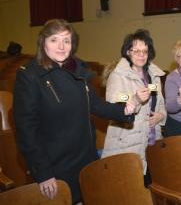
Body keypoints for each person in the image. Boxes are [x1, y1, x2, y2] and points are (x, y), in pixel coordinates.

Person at [13, 19, 136, 204]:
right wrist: (43, 173)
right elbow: (26, 132)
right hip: (56, 165)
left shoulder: (78, 69)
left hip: (85, 157)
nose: (61, 46)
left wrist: (124, 110)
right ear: (43, 42)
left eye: (67, 40)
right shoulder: (29, 76)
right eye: (54, 40)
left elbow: (95, 104)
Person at [101, 29, 166, 185]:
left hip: (151, 138)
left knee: (149, 187)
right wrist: (134, 98)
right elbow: (114, 99)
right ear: (128, 52)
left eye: (145, 51)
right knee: (130, 189)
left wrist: (160, 116)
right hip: (128, 140)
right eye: (136, 51)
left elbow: (161, 103)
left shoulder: (153, 75)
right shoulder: (118, 74)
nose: (141, 55)